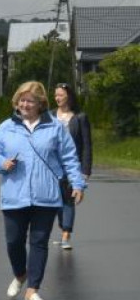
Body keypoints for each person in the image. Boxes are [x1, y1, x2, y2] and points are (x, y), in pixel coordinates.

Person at [0, 81, 86, 300]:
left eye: (30, 100)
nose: (25, 104)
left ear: (41, 103)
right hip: (14, 195)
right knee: (13, 242)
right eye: (21, 100)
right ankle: (20, 274)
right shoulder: (6, 127)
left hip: (47, 195)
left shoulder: (56, 128)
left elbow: (70, 157)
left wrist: (77, 184)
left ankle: (33, 291)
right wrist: (1, 162)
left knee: (39, 242)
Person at [51, 82, 92, 250]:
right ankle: (62, 228)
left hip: (72, 165)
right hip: (52, 166)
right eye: (55, 95)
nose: (57, 98)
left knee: (68, 200)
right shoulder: (50, 115)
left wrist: (85, 170)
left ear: (68, 96)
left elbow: (87, 145)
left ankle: (66, 234)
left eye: (60, 95)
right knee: (56, 200)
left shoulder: (80, 117)